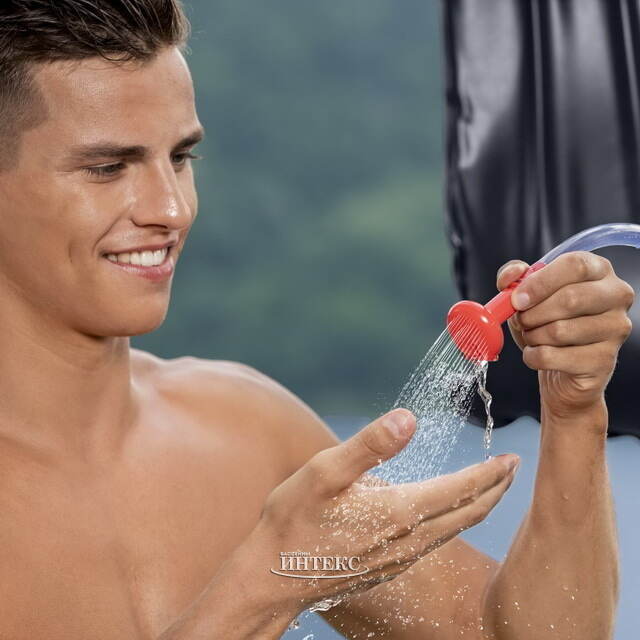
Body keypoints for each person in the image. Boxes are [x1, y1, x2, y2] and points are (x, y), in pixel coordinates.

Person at [0, 2, 631, 639]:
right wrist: (263, 589)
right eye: (107, 168)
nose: (171, 208)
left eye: (182, 157)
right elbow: (273, 580)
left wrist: (574, 412)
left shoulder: (243, 433)